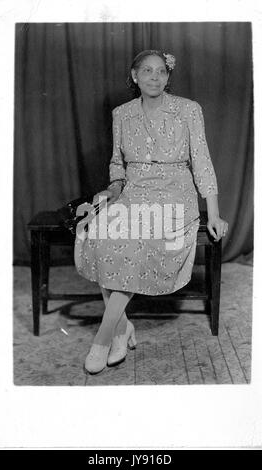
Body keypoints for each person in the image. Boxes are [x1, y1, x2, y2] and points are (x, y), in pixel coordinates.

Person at [74, 49, 228, 374]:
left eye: (161, 72)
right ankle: (122, 328)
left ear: (168, 76)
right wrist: (112, 191)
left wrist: (213, 213)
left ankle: (103, 338)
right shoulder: (121, 114)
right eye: (147, 71)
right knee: (102, 235)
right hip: (134, 192)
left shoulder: (188, 110)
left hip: (175, 195)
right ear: (135, 76)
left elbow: (201, 160)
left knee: (137, 242)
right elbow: (118, 164)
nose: (154, 78)